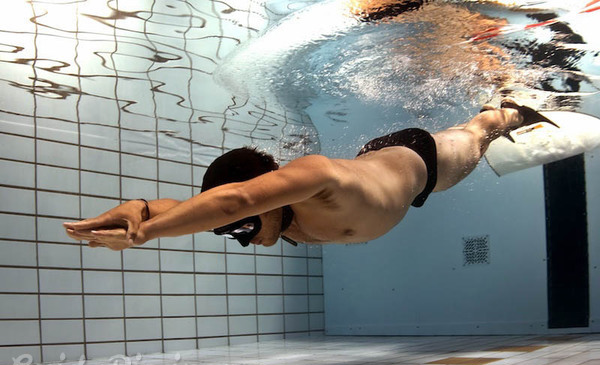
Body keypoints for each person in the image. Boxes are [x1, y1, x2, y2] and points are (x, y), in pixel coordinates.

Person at [64, 100, 556, 250]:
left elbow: (236, 203)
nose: (245, 240)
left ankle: (504, 112)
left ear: (266, 197)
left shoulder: (314, 176)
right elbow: (217, 210)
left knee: (476, 137)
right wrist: (144, 210)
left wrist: (144, 234)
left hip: (416, 160)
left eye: (247, 229)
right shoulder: (268, 214)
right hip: (373, 166)